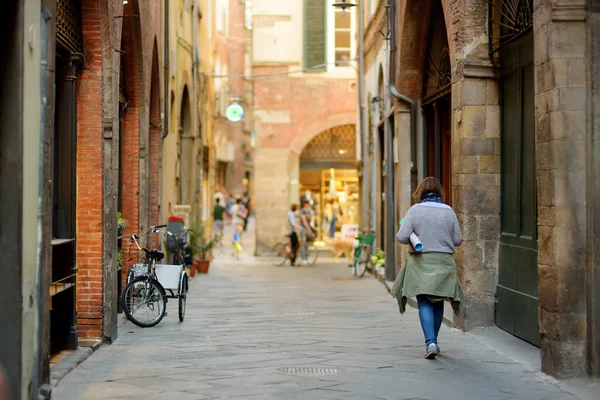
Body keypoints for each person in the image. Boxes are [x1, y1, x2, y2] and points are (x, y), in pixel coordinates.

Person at [392, 177, 465, 360]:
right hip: (443, 262)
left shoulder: (415, 210)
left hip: (421, 261)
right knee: (438, 301)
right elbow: (457, 240)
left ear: (421, 192)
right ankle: (434, 342)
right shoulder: (449, 211)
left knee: (424, 300)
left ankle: (430, 342)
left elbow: (401, 237)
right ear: (439, 192)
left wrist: (415, 234)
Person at [299, 200, 315, 265]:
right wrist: (309, 229)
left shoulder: (309, 211)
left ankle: (307, 258)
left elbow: (312, 218)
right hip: (303, 229)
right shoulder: (302, 211)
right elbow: (304, 222)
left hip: (308, 229)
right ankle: (303, 258)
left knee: (307, 245)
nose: (307, 205)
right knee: (303, 244)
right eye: (306, 204)